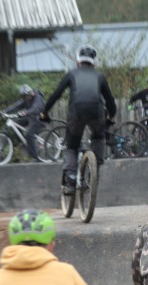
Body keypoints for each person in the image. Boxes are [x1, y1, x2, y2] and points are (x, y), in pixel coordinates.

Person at [42, 45, 117, 196]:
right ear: (94, 63)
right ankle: (94, 172)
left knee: (72, 145)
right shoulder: (100, 76)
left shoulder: (71, 74)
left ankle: (70, 180)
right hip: (96, 113)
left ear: (78, 62)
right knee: (98, 137)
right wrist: (110, 117)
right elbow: (110, 102)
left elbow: (56, 94)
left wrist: (44, 112)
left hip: (76, 113)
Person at [1, 84, 45, 161]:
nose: (26, 98)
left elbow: (35, 108)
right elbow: (16, 106)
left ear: (30, 93)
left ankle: (35, 157)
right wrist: (4, 111)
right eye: (24, 97)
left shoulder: (38, 97)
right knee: (16, 124)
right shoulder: (26, 99)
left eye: (27, 96)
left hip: (40, 118)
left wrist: (25, 112)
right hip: (31, 118)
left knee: (29, 134)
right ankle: (25, 142)